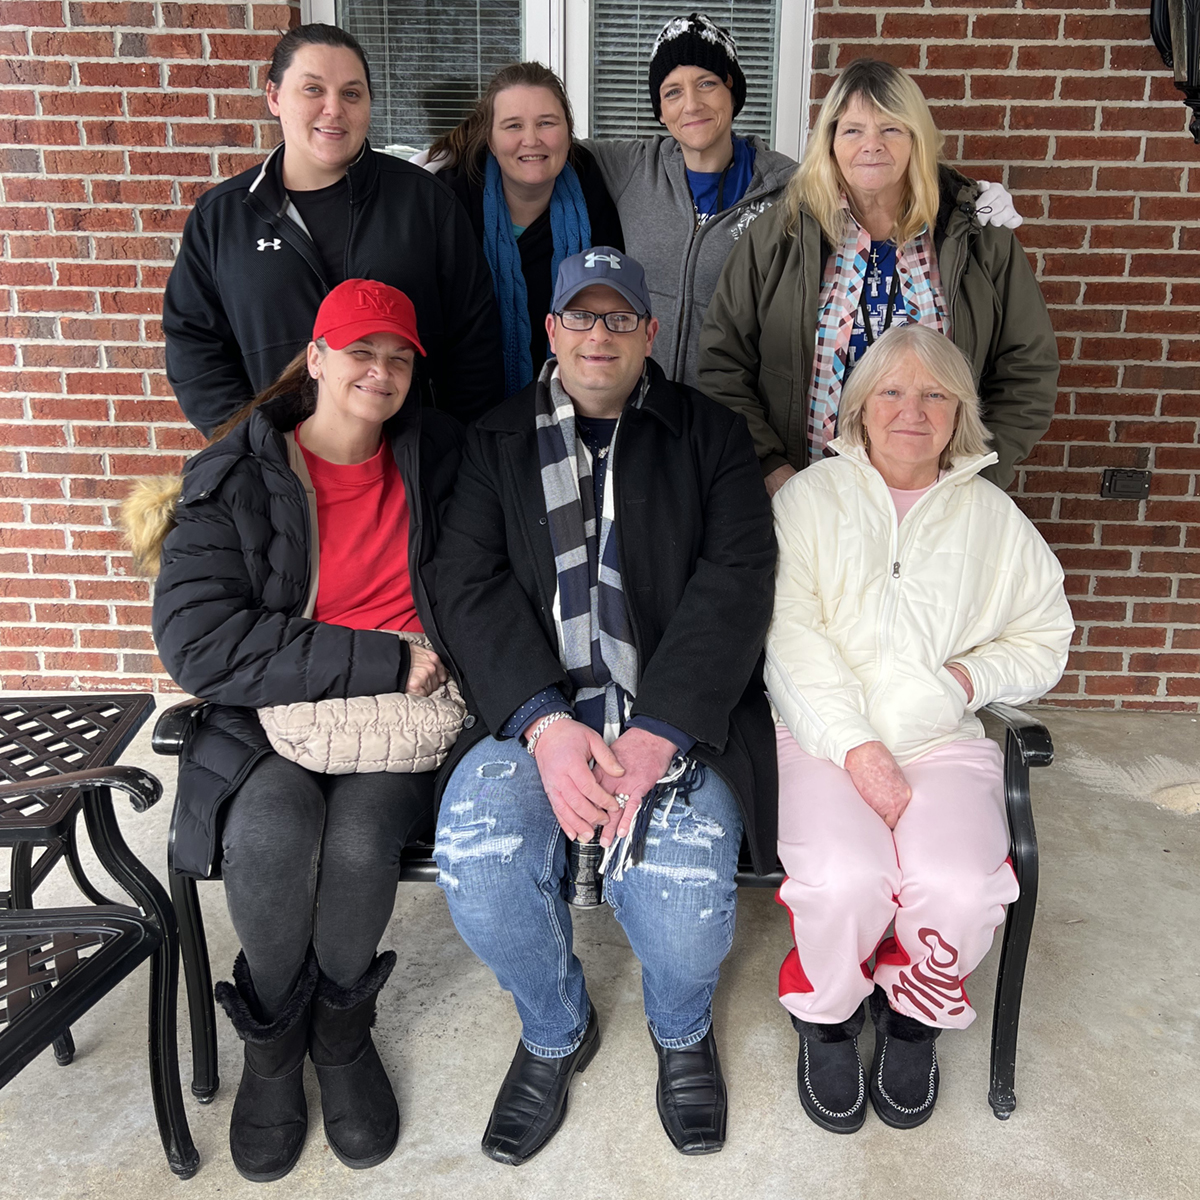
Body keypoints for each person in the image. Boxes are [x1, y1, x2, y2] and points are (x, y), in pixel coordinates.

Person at [431, 247, 776, 1163]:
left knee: (682, 907)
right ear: (550, 331)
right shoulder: (493, 439)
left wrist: (661, 729)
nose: (598, 335)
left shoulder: (709, 434)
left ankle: (680, 1029)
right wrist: (543, 723)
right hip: (535, 714)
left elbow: (738, 578)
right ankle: (554, 1029)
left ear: (648, 332)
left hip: (674, 718)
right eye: (578, 317)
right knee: (483, 868)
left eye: (618, 317)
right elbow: (466, 584)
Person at [132, 279, 462, 1180]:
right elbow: (198, 643)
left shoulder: (437, 462)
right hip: (265, 719)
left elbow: (478, 585)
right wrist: (377, 657)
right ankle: (273, 1048)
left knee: (359, 846)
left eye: (398, 358)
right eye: (361, 352)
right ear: (315, 358)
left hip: (396, 726)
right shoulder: (238, 476)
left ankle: (342, 1036)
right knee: (274, 834)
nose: (381, 372)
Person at [766, 323, 1073, 1134]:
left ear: (959, 412)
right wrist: (857, 747)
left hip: (941, 739)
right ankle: (828, 1016)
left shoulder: (993, 519)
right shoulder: (807, 502)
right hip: (824, 739)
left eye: (935, 393)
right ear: (859, 409)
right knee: (844, 878)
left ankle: (914, 1015)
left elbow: (1045, 634)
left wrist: (970, 677)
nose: (913, 410)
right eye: (892, 393)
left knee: (961, 886)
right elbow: (787, 634)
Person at [584, 14, 1023, 390]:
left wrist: (965, 194)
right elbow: (543, 149)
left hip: (727, 421)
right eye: (672, 91)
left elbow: (879, 170)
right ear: (659, 109)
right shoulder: (632, 168)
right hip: (642, 401)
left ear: (732, 91)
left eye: (706, 83)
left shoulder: (789, 185)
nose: (692, 103)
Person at [699, 57, 1057, 496]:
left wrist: (975, 475)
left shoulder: (977, 236)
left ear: (916, 139)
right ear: (830, 142)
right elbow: (722, 362)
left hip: (936, 504)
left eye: (890, 128)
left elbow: (1028, 370)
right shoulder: (781, 234)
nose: (872, 145)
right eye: (852, 130)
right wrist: (770, 466)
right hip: (806, 495)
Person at [163, 22, 502, 436]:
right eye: (313, 89)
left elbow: (474, 339)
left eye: (351, 93)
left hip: (412, 470)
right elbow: (194, 346)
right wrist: (252, 445)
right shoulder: (222, 218)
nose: (334, 108)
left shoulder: (426, 203)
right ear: (273, 96)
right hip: (277, 474)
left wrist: (448, 449)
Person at [424, 62, 624, 396]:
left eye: (546, 123)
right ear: (490, 137)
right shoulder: (449, 203)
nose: (531, 140)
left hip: (578, 405)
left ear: (568, 130)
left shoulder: (595, 194)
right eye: (513, 125)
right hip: (467, 409)